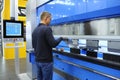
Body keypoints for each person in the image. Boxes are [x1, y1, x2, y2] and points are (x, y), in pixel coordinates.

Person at [32, 11, 63, 80]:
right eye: (50, 19)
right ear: (46, 18)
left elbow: (35, 45)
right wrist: (61, 38)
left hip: (37, 60)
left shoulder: (35, 30)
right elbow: (53, 44)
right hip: (46, 62)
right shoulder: (47, 29)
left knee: (39, 78)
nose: (50, 21)